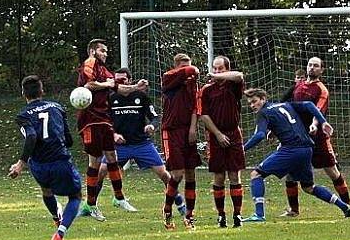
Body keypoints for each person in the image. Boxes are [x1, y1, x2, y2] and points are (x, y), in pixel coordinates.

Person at [242, 88, 350, 222]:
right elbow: (309, 105)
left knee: (256, 174)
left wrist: (243, 148)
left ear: (263, 99)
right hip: (307, 149)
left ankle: (259, 215)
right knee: (308, 187)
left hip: (292, 149)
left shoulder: (264, 112)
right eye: (250, 103)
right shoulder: (285, 105)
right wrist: (323, 121)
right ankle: (346, 208)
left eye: (254, 101)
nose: (252, 105)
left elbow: (260, 135)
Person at [96, 67, 187, 217]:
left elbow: (155, 117)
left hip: (141, 144)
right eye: (117, 80)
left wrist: (152, 125)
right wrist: (113, 135)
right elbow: (104, 122)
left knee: (164, 174)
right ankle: (92, 205)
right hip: (120, 146)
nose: (119, 82)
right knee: (100, 172)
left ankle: (180, 203)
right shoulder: (110, 98)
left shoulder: (141, 96)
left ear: (129, 81)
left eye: (122, 80)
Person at [8, 75, 82, 240]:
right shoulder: (57, 107)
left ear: (23, 93)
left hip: (39, 165)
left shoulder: (23, 115)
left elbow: (31, 136)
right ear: (42, 91)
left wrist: (21, 163)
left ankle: (57, 219)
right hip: (60, 160)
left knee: (47, 191)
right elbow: (69, 140)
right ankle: (60, 232)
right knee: (76, 196)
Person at [76, 39, 146, 222]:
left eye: (106, 51)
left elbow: (119, 88)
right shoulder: (89, 63)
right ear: (93, 51)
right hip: (90, 120)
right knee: (95, 162)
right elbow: (88, 85)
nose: (105, 54)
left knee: (112, 157)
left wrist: (136, 87)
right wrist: (107, 84)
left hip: (104, 119)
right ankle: (91, 204)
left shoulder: (105, 71)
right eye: (102, 50)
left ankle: (120, 198)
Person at [281, 57, 350, 217]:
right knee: (290, 172)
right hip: (299, 137)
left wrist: (314, 124)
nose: (312, 68)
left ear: (321, 70)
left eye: (316, 66)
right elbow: (290, 109)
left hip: (318, 138)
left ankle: (348, 206)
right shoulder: (298, 87)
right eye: (310, 65)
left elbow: (318, 110)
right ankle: (294, 210)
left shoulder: (322, 90)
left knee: (333, 172)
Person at [198, 56, 245, 228]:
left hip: (233, 133)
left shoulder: (233, 84)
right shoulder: (206, 90)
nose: (216, 72)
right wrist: (217, 134)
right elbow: (204, 115)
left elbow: (239, 76)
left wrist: (218, 77)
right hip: (215, 136)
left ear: (227, 69)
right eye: (214, 68)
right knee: (218, 176)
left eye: (220, 69)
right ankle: (221, 215)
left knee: (234, 174)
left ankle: (237, 215)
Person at [160, 53, 201, 229]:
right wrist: (190, 68)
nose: (188, 70)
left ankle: (189, 215)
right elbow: (194, 70)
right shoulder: (168, 77)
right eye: (184, 66)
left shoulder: (192, 84)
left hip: (187, 130)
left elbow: (195, 108)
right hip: (172, 131)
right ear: (176, 66)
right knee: (177, 174)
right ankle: (168, 209)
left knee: (191, 174)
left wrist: (193, 129)